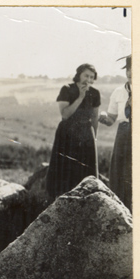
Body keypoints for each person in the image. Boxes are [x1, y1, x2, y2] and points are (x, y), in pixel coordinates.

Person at [45, 64, 101, 201]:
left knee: (86, 172)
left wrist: (93, 138)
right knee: (64, 170)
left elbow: (94, 117)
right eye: (86, 75)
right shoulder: (67, 89)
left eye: (91, 77)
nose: (88, 79)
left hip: (85, 134)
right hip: (67, 133)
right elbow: (65, 115)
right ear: (79, 75)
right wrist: (80, 97)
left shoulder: (95, 93)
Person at [99, 55, 132, 211]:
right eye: (130, 69)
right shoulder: (119, 92)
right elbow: (111, 119)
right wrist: (101, 116)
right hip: (124, 134)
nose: (133, 72)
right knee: (120, 173)